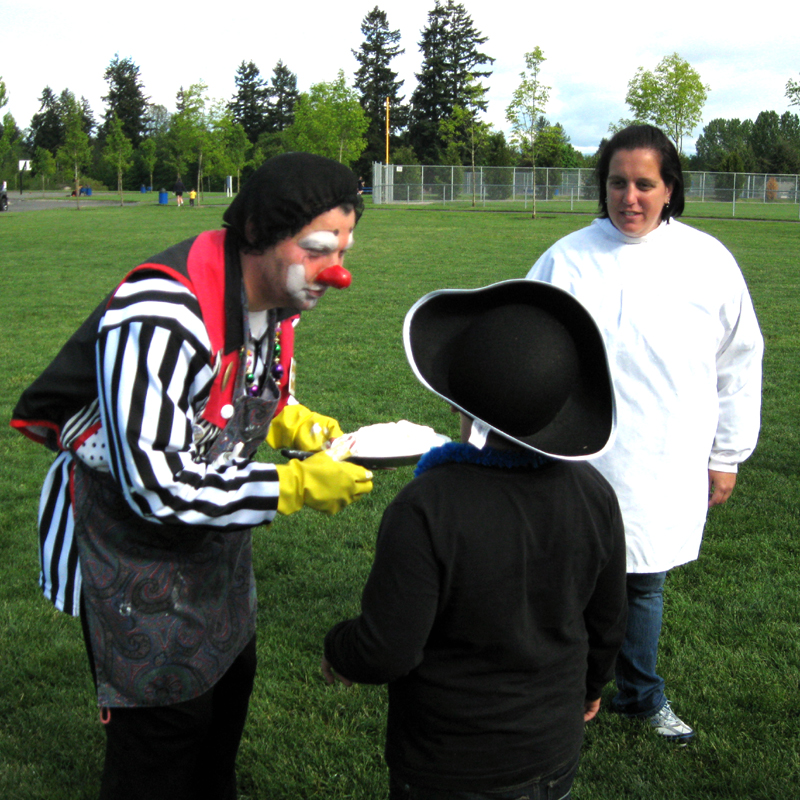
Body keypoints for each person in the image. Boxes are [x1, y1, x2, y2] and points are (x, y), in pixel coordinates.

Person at [11, 152, 374, 800]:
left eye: (343, 250)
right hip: (133, 554)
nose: (338, 271)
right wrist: (289, 488)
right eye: (319, 249)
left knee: (223, 709)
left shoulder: (275, 298)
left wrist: (289, 419)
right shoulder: (159, 313)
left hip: (214, 548)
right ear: (259, 233)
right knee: (159, 746)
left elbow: (236, 387)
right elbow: (156, 486)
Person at [323, 280, 628, 799]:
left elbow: (387, 648)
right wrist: (592, 685)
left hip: (450, 766)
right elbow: (607, 619)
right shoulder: (595, 494)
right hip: (553, 750)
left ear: (456, 404)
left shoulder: (427, 507)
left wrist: (339, 649)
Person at [526, 124, 764, 742]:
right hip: (576, 454)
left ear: (670, 189)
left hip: (665, 452)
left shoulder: (707, 261)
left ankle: (639, 693)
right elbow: (526, 346)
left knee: (643, 582)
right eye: (616, 183)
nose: (628, 197)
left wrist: (727, 454)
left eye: (644, 184)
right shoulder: (567, 258)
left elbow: (739, 360)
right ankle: (564, 693)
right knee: (567, 582)